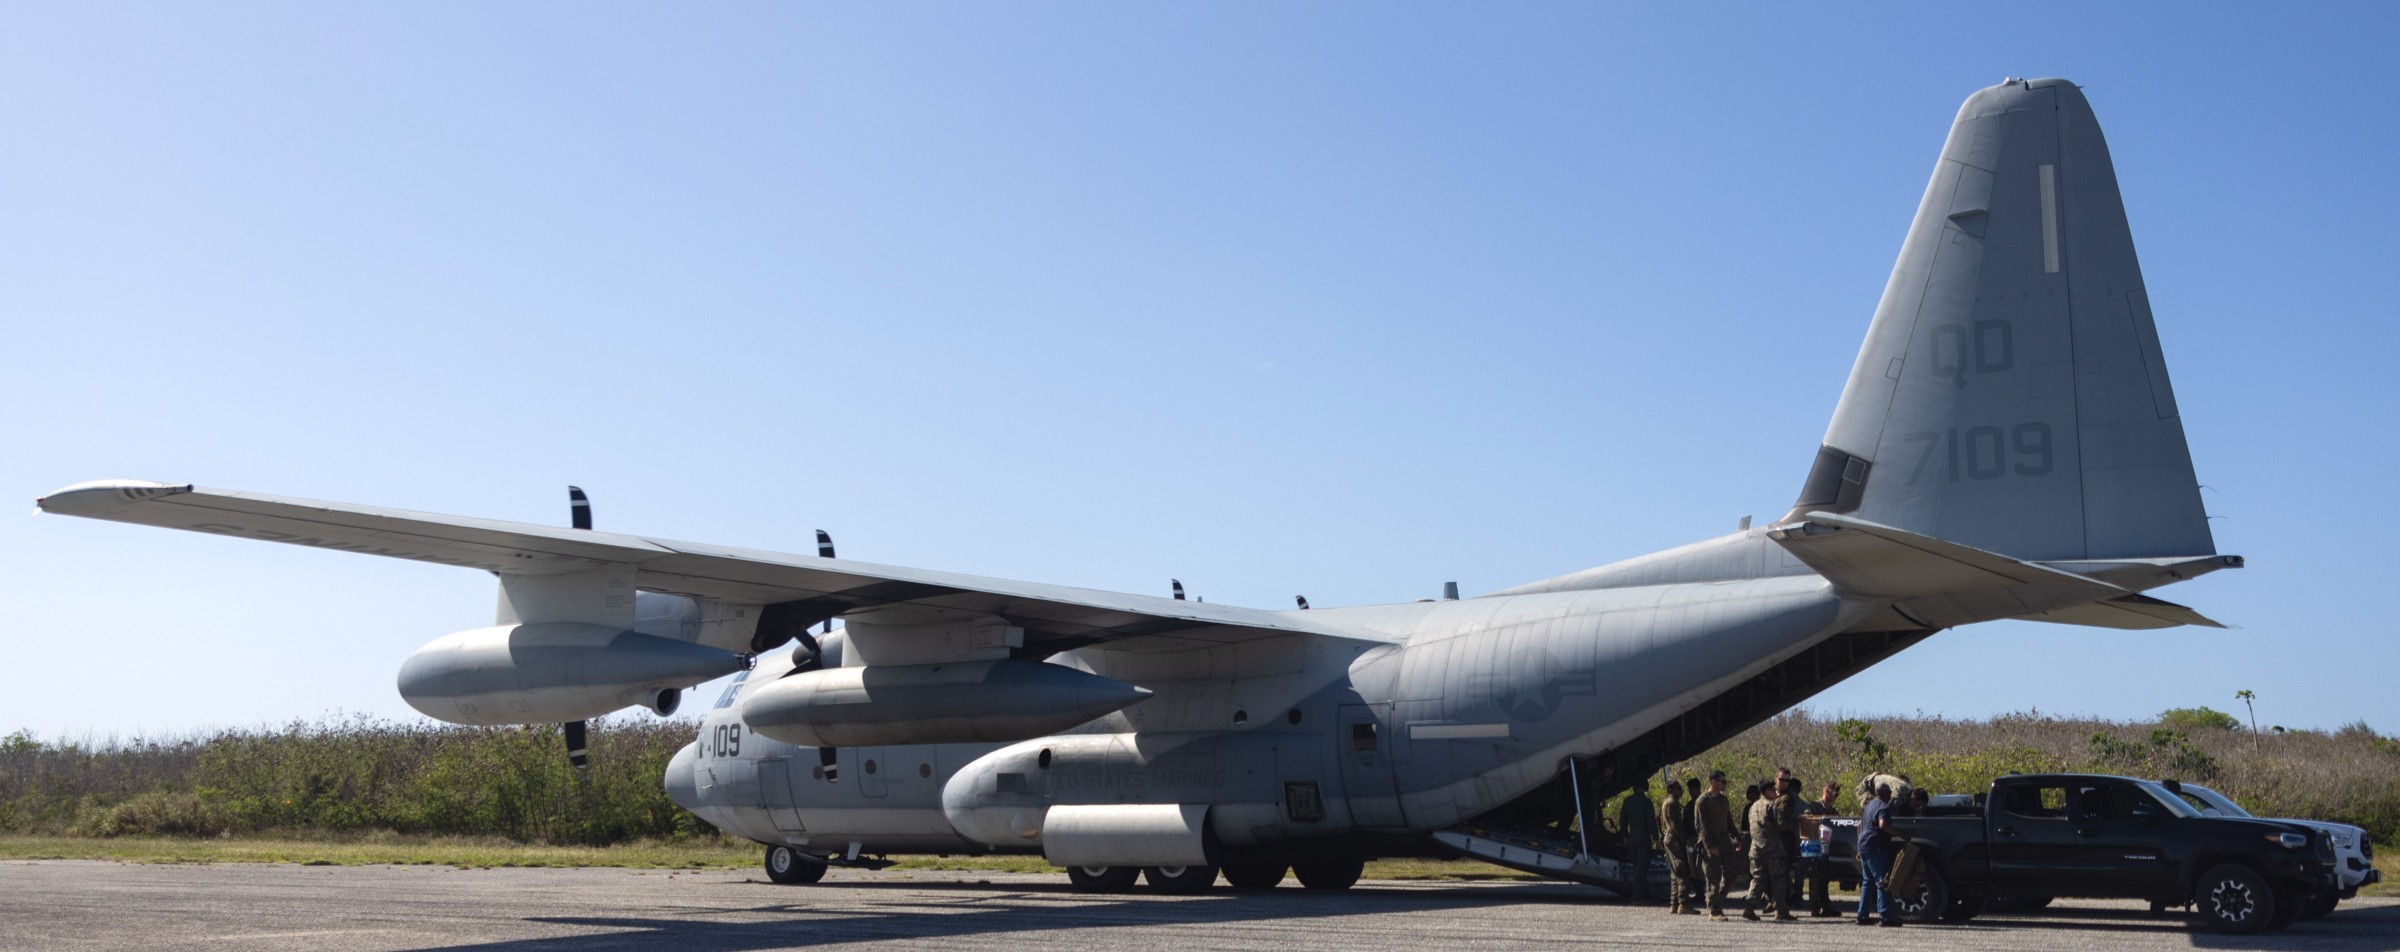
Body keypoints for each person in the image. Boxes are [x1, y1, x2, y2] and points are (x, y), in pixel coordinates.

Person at [1742, 777, 1796, 921]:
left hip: (1756, 848)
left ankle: (1749, 906)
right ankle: (1780, 910)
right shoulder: (1771, 806)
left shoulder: (1753, 807)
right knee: (1779, 879)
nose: (1775, 793)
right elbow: (1782, 825)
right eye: (1773, 790)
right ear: (1766, 791)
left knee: (1758, 879)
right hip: (1772, 849)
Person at [1856, 783, 1901, 927]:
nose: (1890, 796)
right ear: (1886, 794)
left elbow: (1859, 826)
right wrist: (1901, 835)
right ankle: (1885, 916)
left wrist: (1859, 846)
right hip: (1876, 847)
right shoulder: (1883, 807)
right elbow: (1882, 825)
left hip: (1864, 845)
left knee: (1867, 882)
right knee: (1882, 881)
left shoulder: (1869, 806)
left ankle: (1862, 915)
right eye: (1889, 793)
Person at [1696, 770, 1738, 921]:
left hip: (1725, 840)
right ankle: (1714, 910)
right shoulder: (1702, 801)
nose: (1724, 784)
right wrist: (1709, 846)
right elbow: (1701, 827)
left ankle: (1717, 900)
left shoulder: (1723, 800)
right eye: (1722, 781)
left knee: (1731, 874)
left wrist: (1736, 836)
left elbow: (1729, 820)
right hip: (1711, 840)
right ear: (1713, 781)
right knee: (1713, 876)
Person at [1803, 781, 1842, 917]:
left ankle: (1825, 906)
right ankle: (1814, 907)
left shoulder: (1833, 811)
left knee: (1824, 878)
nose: (1835, 797)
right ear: (1826, 792)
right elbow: (1806, 821)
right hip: (1814, 846)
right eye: (1834, 793)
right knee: (1814, 879)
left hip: (1827, 848)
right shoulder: (1813, 806)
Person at [1659, 780, 1696, 914]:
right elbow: (1676, 826)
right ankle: (1684, 903)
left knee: (1674, 873)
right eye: (1678, 788)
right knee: (1681, 870)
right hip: (1675, 839)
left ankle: (1674, 903)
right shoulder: (1672, 804)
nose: (1681, 791)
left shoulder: (1667, 802)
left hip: (1670, 838)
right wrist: (1684, 840)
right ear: (1671, 790)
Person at [1619, 785, 1657, 904]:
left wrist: (1625, 835)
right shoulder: (1646, 802)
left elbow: (1622, 820)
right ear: (1645, 788)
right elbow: (1651, 822)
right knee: (1641, 868)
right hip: (1643, 838)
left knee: (1638, 867)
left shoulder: (1627, 801)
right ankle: (1637, 897)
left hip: (1632, 838)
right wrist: (1656, 838)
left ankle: (1645, 895)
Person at [1681, 777, 1704, 910]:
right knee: (1692, 866)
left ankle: (1703, 892)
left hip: (1700, 839)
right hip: (1691, 839)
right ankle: (1698, 892)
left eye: (1692, 789)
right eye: (1689, 789)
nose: (1691, 792)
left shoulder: (1703, 802)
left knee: (1701, 865)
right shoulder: (1690, 805)